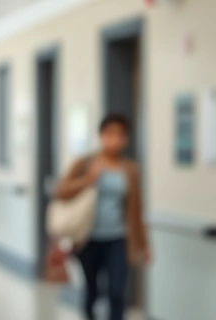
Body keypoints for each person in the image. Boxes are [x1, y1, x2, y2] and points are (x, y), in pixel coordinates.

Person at [55, 113, 150, 320]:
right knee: (92, 290)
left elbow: (136, 210)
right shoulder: (85, 163)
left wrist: (144, 244)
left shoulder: (130, 169)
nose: (115, 139)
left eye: (121, 135)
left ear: (126, 139)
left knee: (117, 291)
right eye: (110, 134)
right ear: (101, 135)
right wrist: (87, 180)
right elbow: (60, 191)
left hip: (118, 238)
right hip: (87, 238)